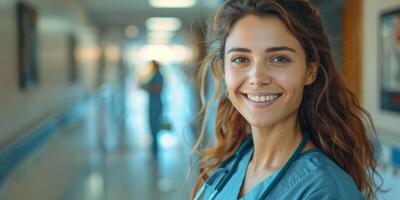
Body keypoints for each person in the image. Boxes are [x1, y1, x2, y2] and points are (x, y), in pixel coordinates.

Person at [191, 0, 379, 199]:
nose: (257, 78)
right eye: (240, 59)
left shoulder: (327, 190)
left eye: (279, 59)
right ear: (223, 72)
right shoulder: (234, 163)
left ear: (310, 71)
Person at [142, 60, 164, 156]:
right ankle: (153, 151)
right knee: (152, 128)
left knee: (154, 128)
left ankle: (155, 152)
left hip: (156, 105)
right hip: (153, 104)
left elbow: (158, 88)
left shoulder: (158, 76)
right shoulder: (154, 75)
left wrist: (147, 87)